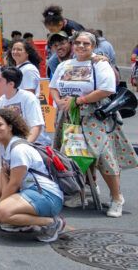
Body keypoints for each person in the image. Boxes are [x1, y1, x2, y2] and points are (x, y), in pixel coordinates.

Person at [50, 31, 138, 218]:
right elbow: (53, 87)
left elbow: (106, 89)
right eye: (78, 43)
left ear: (93, 46)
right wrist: (58, 101)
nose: (81, 46)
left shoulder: (99, 63)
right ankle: (80, 192)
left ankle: (116, 198)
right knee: (72, 156)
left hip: (95, 117)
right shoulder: (65, 64)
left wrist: (79, 101)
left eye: (86, 44)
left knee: (105, 158)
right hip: (69, 115)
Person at [0, 109, 65, 242]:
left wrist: (1, 204)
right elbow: (5, 174)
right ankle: (21, 221)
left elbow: (15, 183)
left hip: (46, 195)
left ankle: (52, 223)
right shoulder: (3, 145)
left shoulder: (19, 149)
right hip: (29, 190)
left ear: (10, 127)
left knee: (0, 213)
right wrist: (4, 201)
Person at [0, 67, 49, 145]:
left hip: (33, 144)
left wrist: (25, 146)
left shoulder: (28, 98)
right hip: (11, 145)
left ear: (11, 84)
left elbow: (36, 126)